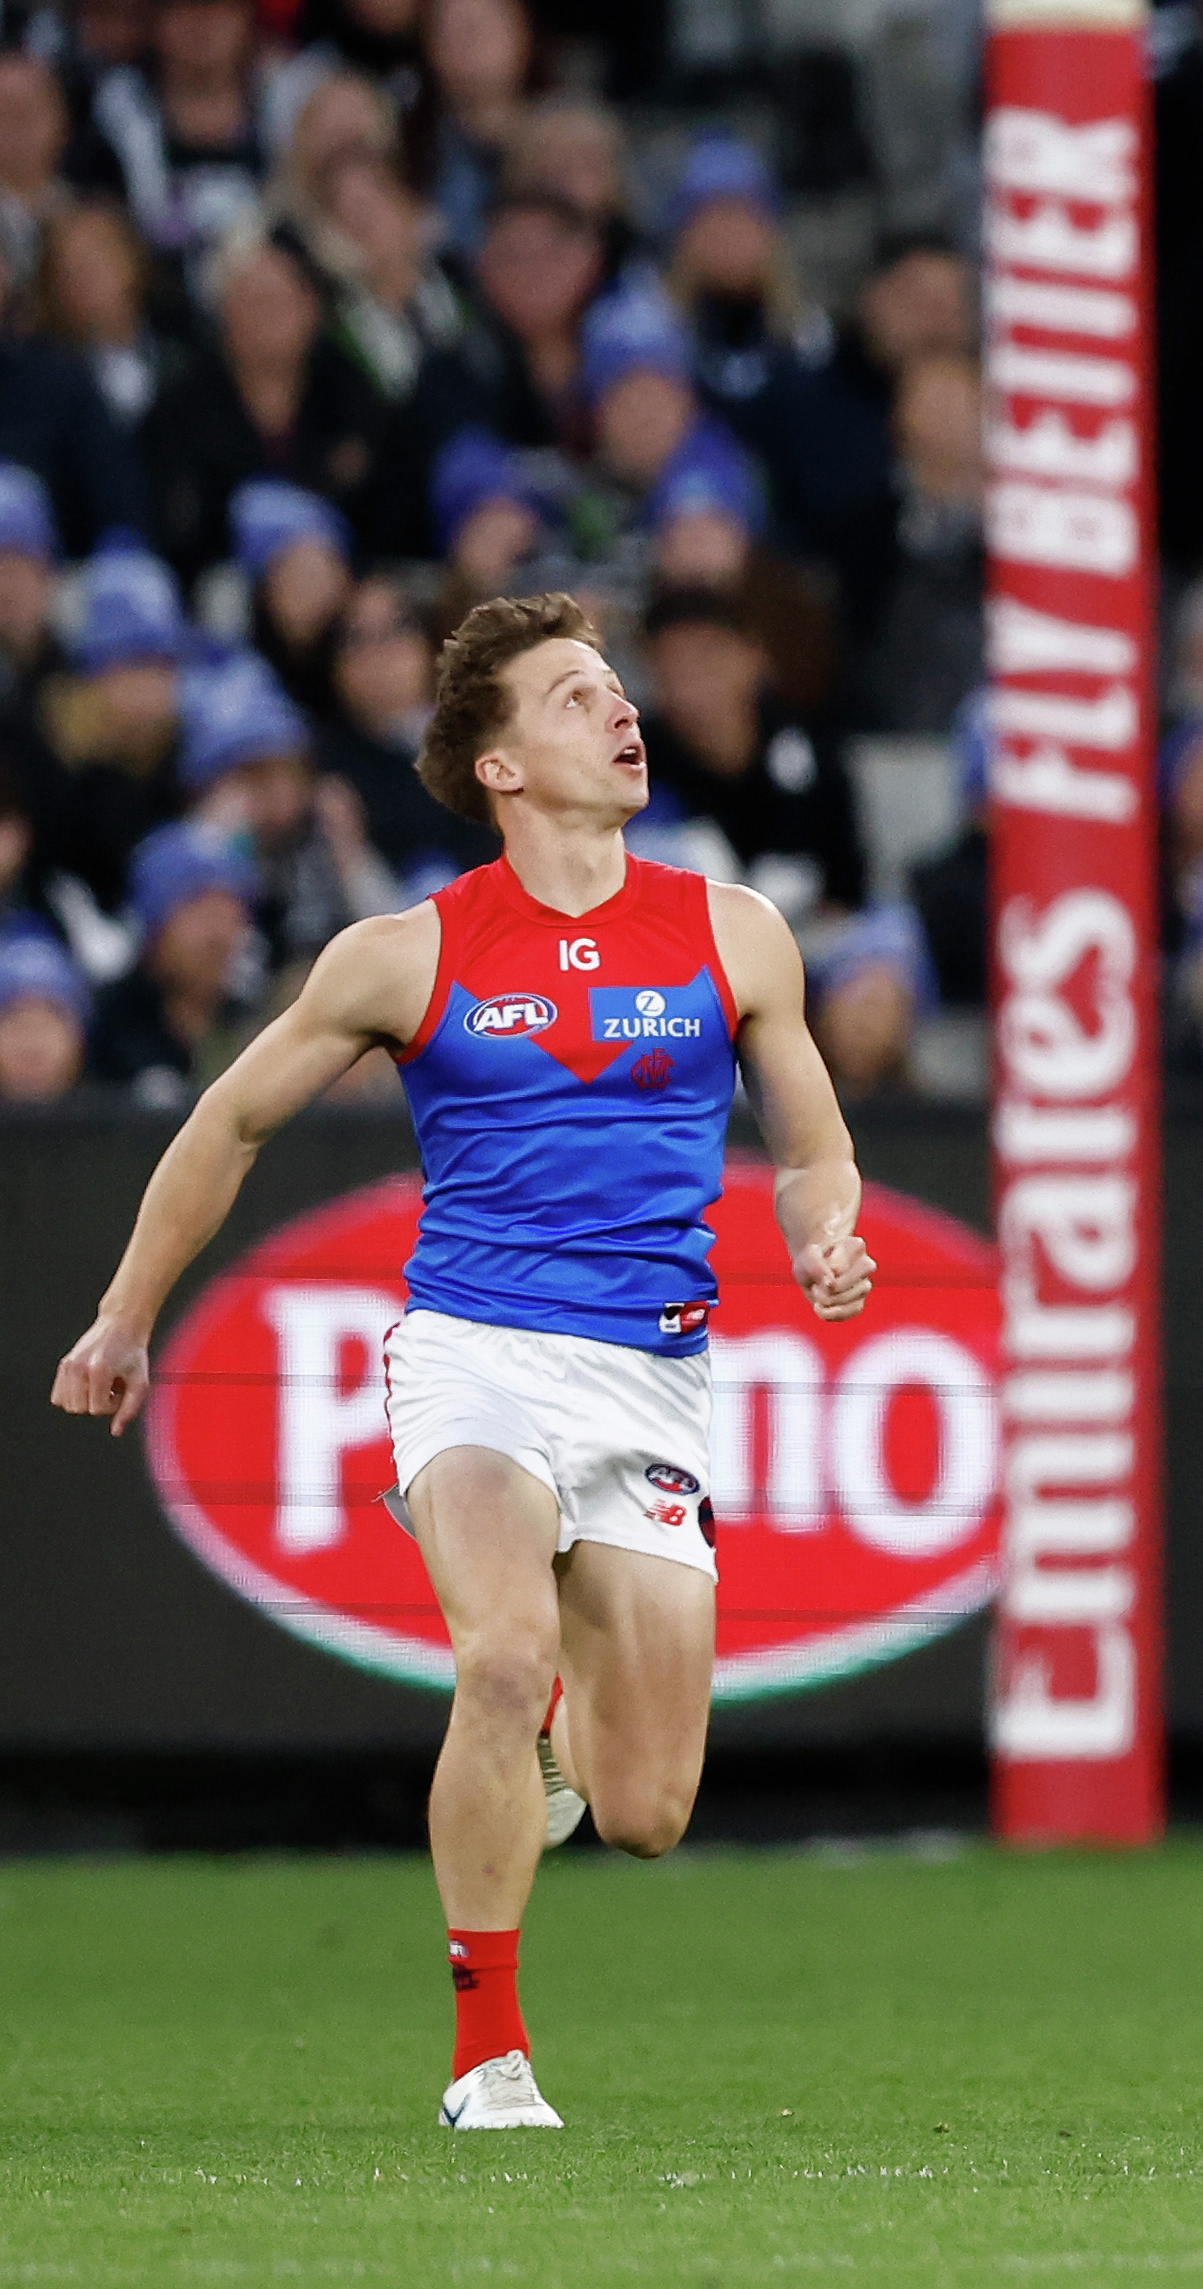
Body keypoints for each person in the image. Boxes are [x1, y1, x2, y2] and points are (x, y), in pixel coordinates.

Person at [45, 591, 871, 2131]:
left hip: (653, 1380)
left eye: (618, 691)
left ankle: (562, 1733)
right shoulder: (404, 955)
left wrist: (825, 1230)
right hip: (473, 1352)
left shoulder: (732, 930)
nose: (622, 714)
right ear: (497, 764)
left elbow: (814, 1146)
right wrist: (125, 1313)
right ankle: (486, 2057)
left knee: (645, 1814)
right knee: (495, 1657)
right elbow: (230, 1121)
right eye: (575, 697)